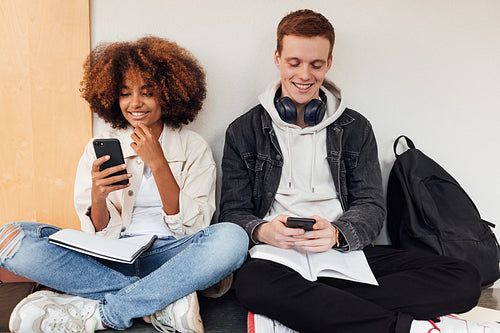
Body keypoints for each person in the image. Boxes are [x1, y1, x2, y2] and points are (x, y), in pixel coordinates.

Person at [219, 9, 494, 333]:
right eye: (294, 62)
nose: (304, 74)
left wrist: (337, 233)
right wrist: (263, 232)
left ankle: (318, 305)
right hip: (279, 259)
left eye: (316, 64)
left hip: (345, 254)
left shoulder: (355, 128)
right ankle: (399, 328)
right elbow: (232, 211)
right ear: (277, 58)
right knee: (253, 285)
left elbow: (372, 206)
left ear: (329, 63)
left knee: (463, 280)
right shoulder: (243, 130)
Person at [0, 36, 248, 333]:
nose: (135, 103)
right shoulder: (99, 148)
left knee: (232, 238)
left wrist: (158, 164)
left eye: (147, 92)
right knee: (12, 240)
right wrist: (99, 195)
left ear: (169, 94)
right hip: (110, 259)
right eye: (125, 93)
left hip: (173, 260)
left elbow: (191, 229)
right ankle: (160, 303)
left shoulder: (192, 147)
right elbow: (97, 233)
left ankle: (101, 311)